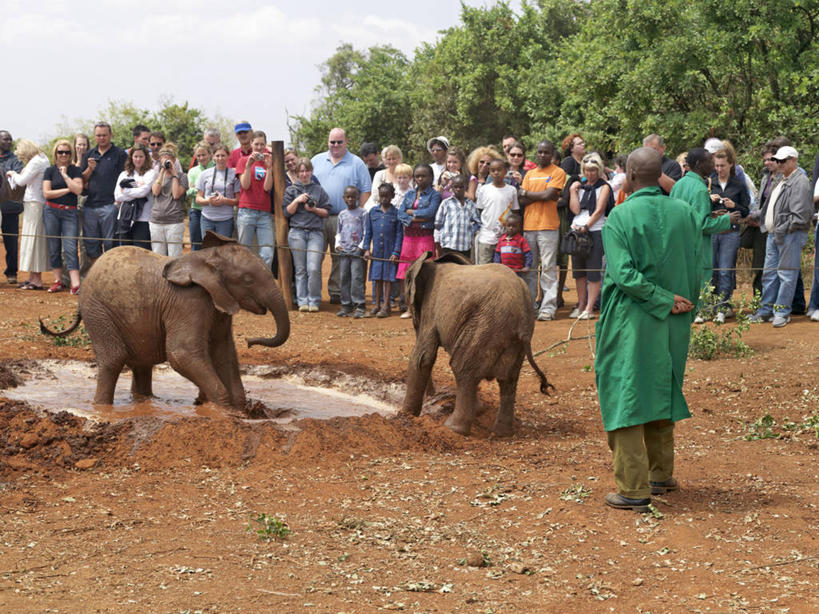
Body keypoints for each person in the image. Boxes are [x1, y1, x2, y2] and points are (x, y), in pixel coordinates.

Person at [595, 147, 707, 513]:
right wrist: (684, 305)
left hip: (631, 320)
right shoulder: (686, 212)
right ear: (660, 174)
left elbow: (624, 275)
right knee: (662, 388)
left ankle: (633, 489)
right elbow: (697, 267)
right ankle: (661, 475)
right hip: (676, 320)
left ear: (629, 174)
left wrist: (660, 299)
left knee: (624, 395)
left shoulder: (620, 217)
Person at [749, 146, 813, 327]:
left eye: (783, 161)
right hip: (774, 234)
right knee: (769, 274)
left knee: (786, 274)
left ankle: (782, 311)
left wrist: (781, 228)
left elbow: (800, 216)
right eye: (778, 160)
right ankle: (766, 310)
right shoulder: (781, 179)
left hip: (790, 235)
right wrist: (756, 215)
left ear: (793, 160)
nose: (779, 164)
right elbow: (772, 206)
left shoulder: (800, 182)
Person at [311, 128, 372, 304]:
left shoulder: (356, 163)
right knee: (315, 255)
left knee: (340, 256)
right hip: (317, 216)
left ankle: (336, 292)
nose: (335, 145)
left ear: (346, 142)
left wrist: (355, 214)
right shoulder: (316, 160)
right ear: (327, 142)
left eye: (339, 142)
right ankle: (312, 294)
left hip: (345, 217)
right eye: (332, 142)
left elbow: (366, 191)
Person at [669, 148, 735, 293]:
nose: (713, 165)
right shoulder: (700, 189)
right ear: (699, 164)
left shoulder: (679, 185)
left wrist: (712, 214)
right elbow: (702, 225)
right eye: (710, 161)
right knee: (698, 287)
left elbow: (687, 215)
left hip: (679, 245)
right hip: (695, 248)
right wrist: (726, 219)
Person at [519, 140, 566, 320]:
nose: (542, 155)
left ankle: (548, 307)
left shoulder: (558, 172)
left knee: (547, 268)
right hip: (529, 226)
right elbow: (521, 200)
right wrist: (542, 196)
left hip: (548, 226)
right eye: (540, 152)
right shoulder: (530, 174)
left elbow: (550, 195)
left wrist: (528, 194)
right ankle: (530, 305)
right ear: (536, 153)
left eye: (546, 152)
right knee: (529, 268)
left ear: (552, 153)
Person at [708, 149, 750, 322]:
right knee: (711, 270)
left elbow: (746, 211)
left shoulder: (738, 185)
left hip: (730, 233)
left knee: (725, 270)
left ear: (731, 164)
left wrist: (735, 206)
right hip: (712, 233)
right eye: (716, 166)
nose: (719, 169)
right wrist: (708, 200)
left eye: (723, 165)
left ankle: (722, 308)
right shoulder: (709, 184)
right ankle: (710, 305)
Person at [284, 158, 331, 312]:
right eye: (301, 171)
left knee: (313, 268)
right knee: (300, 269)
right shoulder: (291, 190)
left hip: (315, 233)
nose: (304, 174)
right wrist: (297, 200)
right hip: (297, 232)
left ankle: (314, 300)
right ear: (297, 173)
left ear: (311, 172)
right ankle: (302, 300)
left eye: (307, 171)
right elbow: (286, 212)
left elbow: (326, 212)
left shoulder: (318, 189)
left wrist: (314, 210)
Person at [568, 153, 612, 320]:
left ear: (599, 169)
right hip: (577, 229)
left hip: (594, 230)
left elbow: (599, 210)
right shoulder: (581, 186)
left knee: (593, 270)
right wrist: (573, 191)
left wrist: (587, 226)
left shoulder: (604, 186)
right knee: (579, 271)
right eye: (587, 170)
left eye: (593, 170)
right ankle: (580, 305)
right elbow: (575, 210)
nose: (590, 174)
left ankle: (589, 307)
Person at [79, 121, 128, 265]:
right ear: (94, 137)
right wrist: (89, 169)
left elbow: (125, 178)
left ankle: (110, 274)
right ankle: (98, 272)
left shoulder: (119, 154)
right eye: (98, 135)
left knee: (110, 244)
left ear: (111, 135)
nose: (102, 138)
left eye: (104, 135)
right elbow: (81, 180)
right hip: (90, 206)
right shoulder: (89, 154)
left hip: (110, 206)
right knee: (91, 244)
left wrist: (117, 202)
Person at [6, 140, 49, 290]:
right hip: (35, 203)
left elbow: (22, 181)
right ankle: (32, 277)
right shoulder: (41, 158)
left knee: (34, 240)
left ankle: (36, 280)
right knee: (32, 240)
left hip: (35, 203)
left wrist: (13, 173)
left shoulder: (36, 161)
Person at [42, 139, 84, 294]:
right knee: (54, 247)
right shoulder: (49, 171)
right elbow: (46, 194)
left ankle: (75, 284)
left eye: (67, 152)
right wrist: (68, 189)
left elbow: (79, 190)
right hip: (51, 211)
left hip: (70, 212)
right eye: (60, 152)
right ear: (55, 153)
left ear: (71, 154)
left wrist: (65, 176)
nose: (64, 155)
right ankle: (57, 281)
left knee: (71, 247)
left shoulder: (75, 170)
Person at [396, 164, 441, 289]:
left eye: (423, 176)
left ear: (431, 177)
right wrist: (417, 219)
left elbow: (430, 213)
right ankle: (406, 302)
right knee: (406, 270)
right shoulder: (409, 194)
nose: (420, 179)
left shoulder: (435, 195)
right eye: (417, 176)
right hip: (408, 238)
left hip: (425, 237)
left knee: (424, 270)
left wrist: (410, 213)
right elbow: (400, 213)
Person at [363, 183, 403, 318]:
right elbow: (368, 233)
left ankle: (386, 305)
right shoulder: (372, 212)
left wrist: (396, 252)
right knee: (377, 278)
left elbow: (399, 235)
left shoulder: (396, 214)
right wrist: (367, 249)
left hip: (390, 253)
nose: (384, 199)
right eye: (382, 196)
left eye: (387, 196)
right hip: (377, 252)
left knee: (388, 279)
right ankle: (376, 304)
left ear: (392, 196)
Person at [236, 131, 275, 267]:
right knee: (244, 253)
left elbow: (267, 188)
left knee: (267, 253)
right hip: (246, 211)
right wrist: (248, 166)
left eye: (262, 144)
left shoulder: (269, 162)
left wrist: (269, 169)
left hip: (264, 213)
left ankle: (262, 285)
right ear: (251, 144)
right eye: (256, 144)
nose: (259, 147)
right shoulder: (243, 161)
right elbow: (245, 185)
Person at [475, 159, 520, 266]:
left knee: (503, 269)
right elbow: (480, 210)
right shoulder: (484, 189)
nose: (496, 173)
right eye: (493, 170)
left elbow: (515, 212)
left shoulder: (512, 190)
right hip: (486, 238)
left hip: (505, 238)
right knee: (484, 269)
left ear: (505, 171)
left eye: (499, 170)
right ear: (489, 172)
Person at [113, 143, 156, 249]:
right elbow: (117, 196)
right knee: (125, 251)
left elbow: (143, 192)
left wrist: (125, 190)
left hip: (144, 219)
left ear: (146, 157)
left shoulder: (151, 173)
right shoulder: (124, 174)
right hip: (124, 218)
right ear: (131, 158)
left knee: (141, 250)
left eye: (141, 156)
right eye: (135, 156)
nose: (138, 159)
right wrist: (137, 189)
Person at [149, 145, 188, 257]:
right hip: (156, 220)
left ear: (174, 160)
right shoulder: (156, 175)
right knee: (157, 255)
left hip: (174, 221)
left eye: (168, 159)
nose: (166, 161)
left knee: (174, 256)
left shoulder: (182, 176)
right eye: (163, 159)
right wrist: (161, 172)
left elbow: (176, 195)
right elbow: (155, 192)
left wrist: (174, 175)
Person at [336, 185, 367, 318]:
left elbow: (366, 232)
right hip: (344, 251)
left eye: (353, 197)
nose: (350, 199)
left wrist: (361, 247)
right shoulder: (342, 214)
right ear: (344, 198)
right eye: (347, 197)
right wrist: (338, 245)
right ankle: (346, 305)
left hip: (356, 251)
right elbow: (338, 232)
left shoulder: (363, 213)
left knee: (357, 277)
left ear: (357, 198)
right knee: (344, 277)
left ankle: (359, 304)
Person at [196, 144, 240, 238]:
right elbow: (198, 199)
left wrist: (224, 201)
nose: (220, 158)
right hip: (207, 219)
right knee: (208, 249)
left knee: (223, 250)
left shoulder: (234, 174)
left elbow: (238, 201)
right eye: (217, 155)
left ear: (228, 156)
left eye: (223, 155)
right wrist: (209, 201)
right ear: (213, 157)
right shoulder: (204, 174)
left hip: (226, 220)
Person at [434, 174, 480, 260]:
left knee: (463, 269)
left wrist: (470, 230)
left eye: (461, 187)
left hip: (465, 245)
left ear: (466, 187)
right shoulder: (446, 203)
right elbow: (438, 223)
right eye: (456, 187)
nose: (458, 189)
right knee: (449, 268)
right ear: (452, 187)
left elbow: (478, 222)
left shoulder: (470, 204)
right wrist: (439, 240)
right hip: (449, 244)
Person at [0, 130, 23, 285]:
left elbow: (19, 178)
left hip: (10, 206)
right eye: (5, 139)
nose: (9, 142)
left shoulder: (16, 160)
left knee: (11, 241)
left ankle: (11, 272)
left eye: (10, 139)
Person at [186, 142, 213, 251]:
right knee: (196, 245)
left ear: (210, 154)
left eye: (204, 155)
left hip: (213, 212)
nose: (201, 158)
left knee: (211, 246)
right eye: (198, 156)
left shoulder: (217, 168)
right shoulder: (193, 171)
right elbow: (189, 192)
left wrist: (196, 189)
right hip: (196, 211)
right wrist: (202, 189)